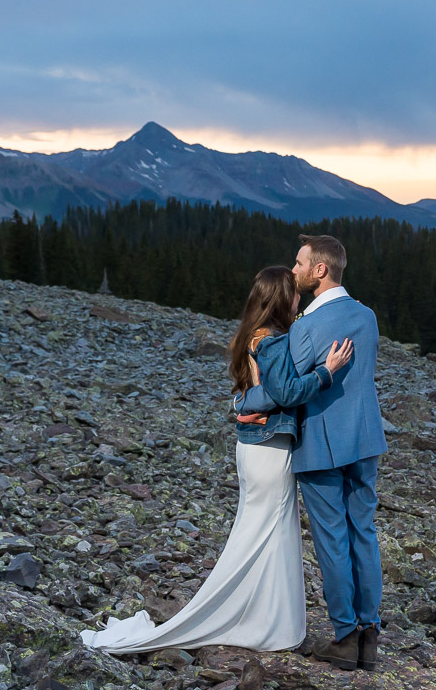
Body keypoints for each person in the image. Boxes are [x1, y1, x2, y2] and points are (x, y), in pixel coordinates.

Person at [79, 266, 352, 654]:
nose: (299, 299)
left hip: (255, 449)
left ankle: (264, 619)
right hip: (269, 449)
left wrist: (245, 403)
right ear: (279, 299)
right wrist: (327, 372)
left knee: (262, 532)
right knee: (266, 533)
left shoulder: (251, 335)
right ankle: (263, 623)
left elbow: (249, 394)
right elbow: (286, 392)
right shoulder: (272, 342)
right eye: (293, 294)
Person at [236, 234, 387, 671]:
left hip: (321, 444)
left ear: (320, 270)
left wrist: (243, 403)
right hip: (366, 440)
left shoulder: (303, 328)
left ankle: (345, 636)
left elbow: (284, 389)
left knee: (332, 539)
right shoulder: (366, 316)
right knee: (364, 532)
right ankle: (370, 631)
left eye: (300, 262)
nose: (295, 269)